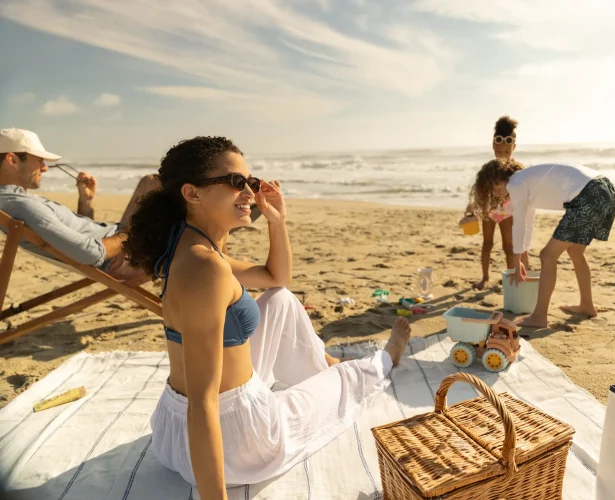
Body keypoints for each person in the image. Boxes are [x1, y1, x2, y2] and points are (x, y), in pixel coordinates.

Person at [123, 136, 411, 497]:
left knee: (280, 299)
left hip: (174, 432)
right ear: (192, 194)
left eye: (251, 181)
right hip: (239, 443)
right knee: (348, 379)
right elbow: (203, 401)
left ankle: (322, 363)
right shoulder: (206, 268)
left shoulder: (191, 248)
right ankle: (384, 359)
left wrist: (277, 221)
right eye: (235, 182)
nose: (249, 192)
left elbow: (277, 278)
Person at [0, 128, 159, 280]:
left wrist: (86, 201)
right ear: (12, 160)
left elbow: (78, 239)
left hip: (120, 244)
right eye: (39, 160)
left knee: (150, 184)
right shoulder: (21, 205)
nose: (44, 168)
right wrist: (127, 234)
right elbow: (89, 253)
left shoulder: (15, 201)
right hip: (124, 256)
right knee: (153, 183)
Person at [487, 158, 615, 328]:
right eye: (489, 186)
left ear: (505, 177)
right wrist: (522, 255)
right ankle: (587, 306)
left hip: (588, 195)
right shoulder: (527, 180)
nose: (493, 190)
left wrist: (517, 260)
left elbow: (519, 223)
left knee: (547, 255)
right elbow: (528, 221)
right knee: (575, 251)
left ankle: (539, 316)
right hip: (605, 190)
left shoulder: (515, 184)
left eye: (495, 183)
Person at [460, 116, 529, 290]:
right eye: (499, 152)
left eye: (507, 152)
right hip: (489, 210)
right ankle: (485, 277)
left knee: (508, 246)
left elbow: (525, 188)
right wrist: (472, 206)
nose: (503, 156)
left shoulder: (516, 169)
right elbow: (480, 190)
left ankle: (509, 275)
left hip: (507, 212)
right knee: (487, 244)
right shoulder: (489, 169)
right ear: (493, 146)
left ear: (514, 147)